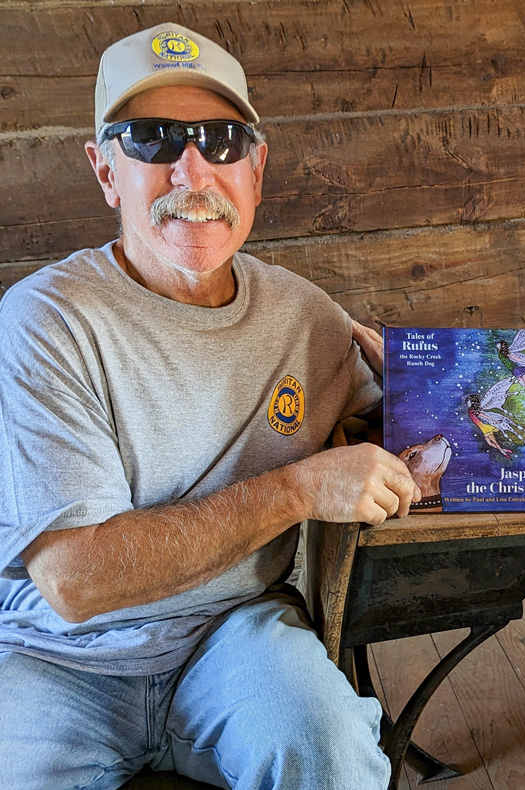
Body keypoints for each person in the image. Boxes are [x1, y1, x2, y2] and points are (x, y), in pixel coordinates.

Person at [0, 22, 420, 790]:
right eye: (153, 138)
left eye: (222, 141)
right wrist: (296, 489)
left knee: (331, 751)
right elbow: (74, 580)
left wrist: (427, 394)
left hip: (234, 633)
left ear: (256, 170)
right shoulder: (46, 320)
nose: (192, 170)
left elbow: (400, 431)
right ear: (105, 170)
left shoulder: (307, 318)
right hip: (57, 656)